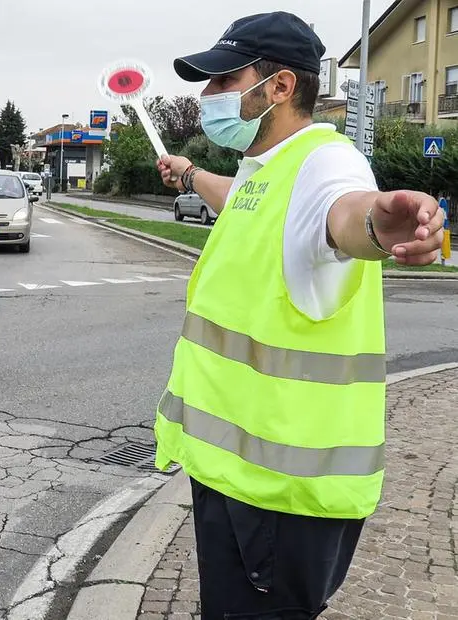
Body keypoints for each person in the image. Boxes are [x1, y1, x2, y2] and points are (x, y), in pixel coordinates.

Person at [153, 11, 444, 619]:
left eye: (223, 82)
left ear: (280, 87)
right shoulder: (269, 171)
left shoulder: (324, 163)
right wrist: (189, 172)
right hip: (240, 483)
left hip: (281, 500)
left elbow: (343, 215)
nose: (207, 97)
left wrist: (377, 222)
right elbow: (241, 201)